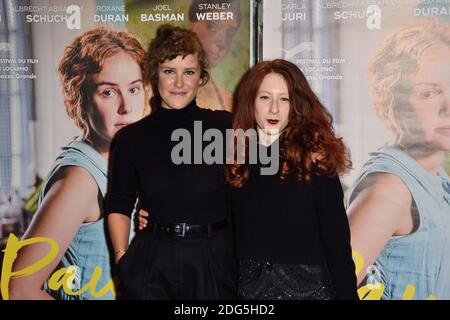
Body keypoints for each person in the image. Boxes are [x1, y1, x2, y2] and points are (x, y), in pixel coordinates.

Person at [8, 27, 148, 300]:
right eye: (108, 92)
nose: (126, 107)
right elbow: (19, 290)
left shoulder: (122, 161)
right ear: (80, 99)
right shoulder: (80, 180)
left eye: (134, 89)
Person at [106, 25, 236, 300]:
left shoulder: (225, 128)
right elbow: (118, 203)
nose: (179, 83)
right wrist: (122, 260)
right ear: (155, 74)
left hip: (213, 262)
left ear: (201, 77)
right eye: (169, 71)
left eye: (188, 72)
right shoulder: (131, 138)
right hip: (152, 262)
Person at [224, 59, 358, 300]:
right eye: (265, 98)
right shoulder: (235, 158)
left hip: (310, 291)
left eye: (284, 99)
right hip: (251, 292)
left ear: (296, 105)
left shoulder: (314, 161)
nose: (274, 109)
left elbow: (336, 241)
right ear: (250, 102)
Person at [346, 21, 450, 300]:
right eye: (429, 93)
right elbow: (330, 287)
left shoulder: (433, 175)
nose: (448, 107)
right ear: (393, 99)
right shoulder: (390, 190)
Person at [188, 0, 242, 111]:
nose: (222, 42)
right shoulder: (149, 89)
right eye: (212, 27)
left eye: (230, 34)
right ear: (191, 26)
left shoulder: (228, 101)